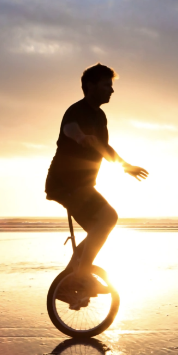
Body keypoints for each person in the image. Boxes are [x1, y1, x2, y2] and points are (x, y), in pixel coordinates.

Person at [45, 63, 148, 306]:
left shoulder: (99, 116)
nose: (111, 91)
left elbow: (104, 148)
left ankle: (72, 280)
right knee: (108, 218)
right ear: (90, 86)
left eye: (111, 86)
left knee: (99, 229)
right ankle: (81, 277)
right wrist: (81, 136)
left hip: (80, 185)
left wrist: (125, 166)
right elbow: (70, 129)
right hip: (66, 183)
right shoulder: (77, 111)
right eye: (106, 85)